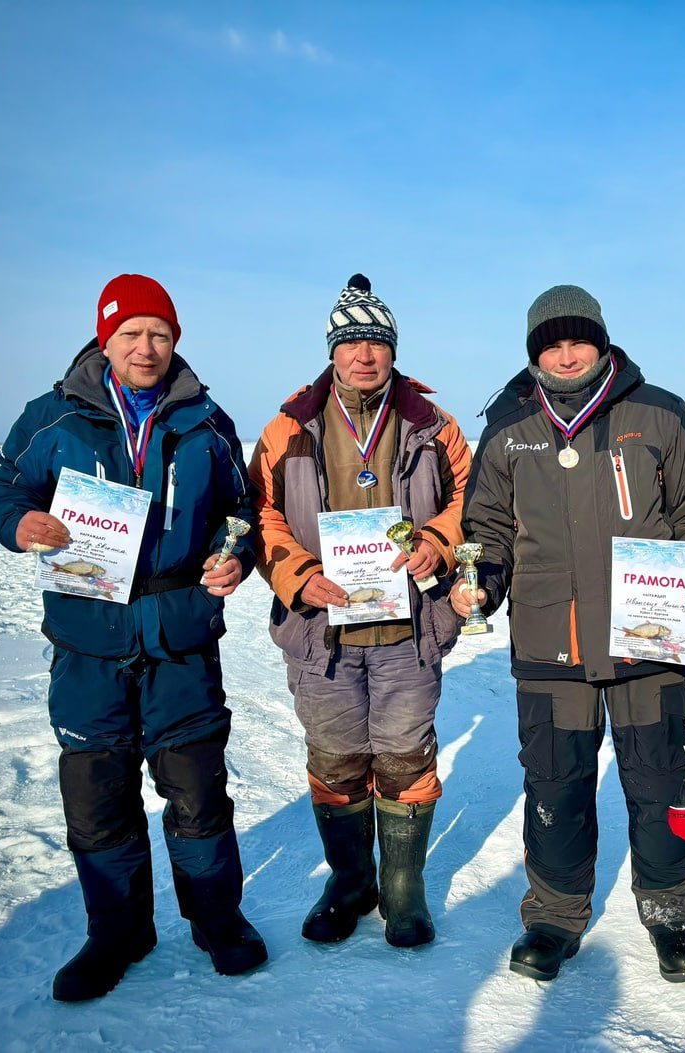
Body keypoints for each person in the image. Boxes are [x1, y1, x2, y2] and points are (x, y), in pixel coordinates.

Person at [0, 274, 267, 1001]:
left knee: (198, 793)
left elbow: (241, 510)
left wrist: (235, 556)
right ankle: (117, 931)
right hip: (89, 638)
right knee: (98, 797)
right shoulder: (55, 417)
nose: (147, 348)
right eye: (132, 334)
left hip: (179, 637)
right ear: (105, 339)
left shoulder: (205, 421)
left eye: (161, 334)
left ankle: (217, 920)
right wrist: (20, 523)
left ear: (176, 342)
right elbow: (5, 484)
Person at [452, 285, 685, 983]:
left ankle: (671, 907)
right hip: (551, 639)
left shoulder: (657, 412)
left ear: (603, 340)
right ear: (535, 354)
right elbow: (485, 526)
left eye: (578, 339)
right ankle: (553, 912)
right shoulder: (508, 425)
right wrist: (481, 581)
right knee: (556, 781)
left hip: (649, 637)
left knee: (658, 778)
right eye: (552, 343)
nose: (567, 352)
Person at [248, 274, 470, 949]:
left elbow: (472, 498)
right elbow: (260, 513)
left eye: (376, 342)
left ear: (392, 350)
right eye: (351, 344)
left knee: (404, 758)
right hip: (323, 632)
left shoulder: (435, 425)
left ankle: (403, 889)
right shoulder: (288, 426)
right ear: (332, 351)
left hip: (409, 626)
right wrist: (297, 574)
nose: (364, 355)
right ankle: (350, 882)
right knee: (338, 760)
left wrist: (438, 540)